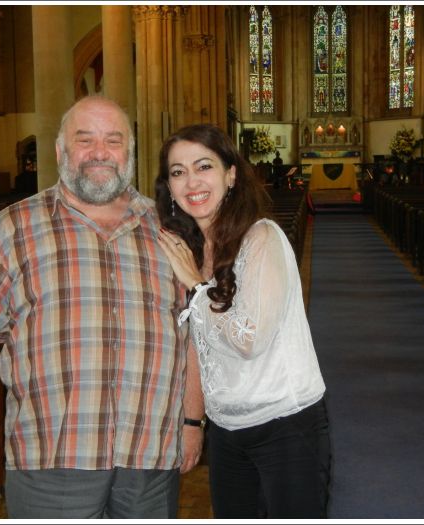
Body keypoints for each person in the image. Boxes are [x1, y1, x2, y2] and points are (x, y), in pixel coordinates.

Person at [0, 95, 204, 519]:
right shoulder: (13, 229)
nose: (100, 152)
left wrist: (192, 423)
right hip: (51, 458)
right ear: (60, 151)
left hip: (150, 457)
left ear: (130, 153)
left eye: (113, 140)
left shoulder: (171, 228)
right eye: (85, 139)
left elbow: (193, 336)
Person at [154, 124, 331, 519]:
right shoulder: (192, 252)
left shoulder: (262, 239)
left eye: (204, 166)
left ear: (231, 174)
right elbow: (199, 347)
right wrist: (191, 421)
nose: (191, 182)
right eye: (178, 172)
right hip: (226, 432)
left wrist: (198, 287)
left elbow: (249, 339)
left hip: (286, 425)